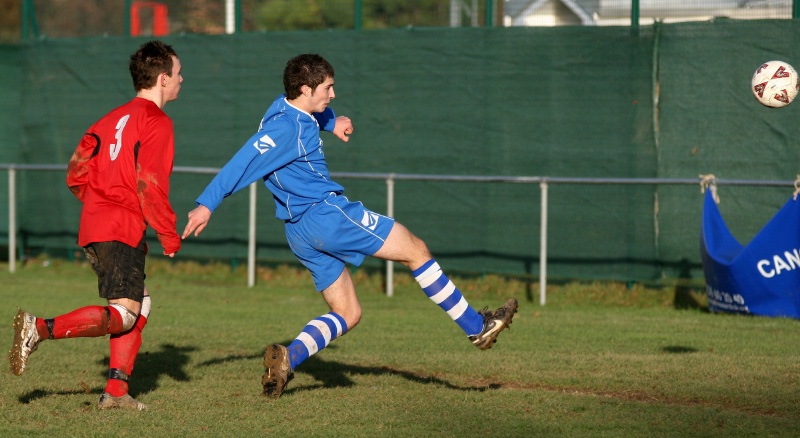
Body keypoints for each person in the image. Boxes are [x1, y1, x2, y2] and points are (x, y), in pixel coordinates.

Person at [181, 53, 517, 399]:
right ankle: (478, 327)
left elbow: (309, 116)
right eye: (328, 87)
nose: (333, 94)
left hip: (298, 232)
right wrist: (208, 203)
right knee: (415, 250)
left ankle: (288, 358)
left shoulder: (282, 109)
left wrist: (331, 121)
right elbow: (245, 160)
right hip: (326, 215)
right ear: (305, 88)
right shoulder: (286, 128)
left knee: (348, 312)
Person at [8, 40, 183, 411]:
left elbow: (76, 172)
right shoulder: (157, 122)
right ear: (164, 79)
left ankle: (116, 394)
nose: (182, 80)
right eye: (179, 74)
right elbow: (148, 182)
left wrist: (100, 203)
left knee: (140, 304)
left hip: (96, 222)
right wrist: (169, 232)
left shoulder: (108, 119)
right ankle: (38, 328)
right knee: (124, 314)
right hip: (121, 225)